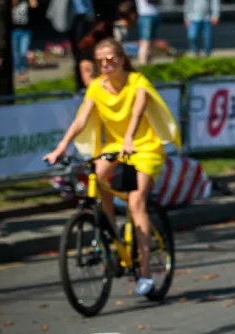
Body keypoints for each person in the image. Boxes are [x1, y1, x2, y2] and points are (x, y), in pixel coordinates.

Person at [44, 38, 181, 296]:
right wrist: (60, 148)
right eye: (101, 61)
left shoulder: (136, 81)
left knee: (136, 201)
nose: (106, 65)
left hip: (145, 147)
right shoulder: (96, 87)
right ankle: (108, 231)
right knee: (98, 179)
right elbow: (80, 120)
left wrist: (130, 137)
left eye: (111, 60)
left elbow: (139, 110)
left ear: (122, 59)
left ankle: (146, 273)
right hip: (116, 147)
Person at [12, 0, 39, 84]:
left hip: (25, 30)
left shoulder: (25, 2)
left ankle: (23, 72)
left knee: (23, 52)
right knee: (16, 53)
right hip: (14, 30)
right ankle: (18, 72)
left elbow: (34, 5)